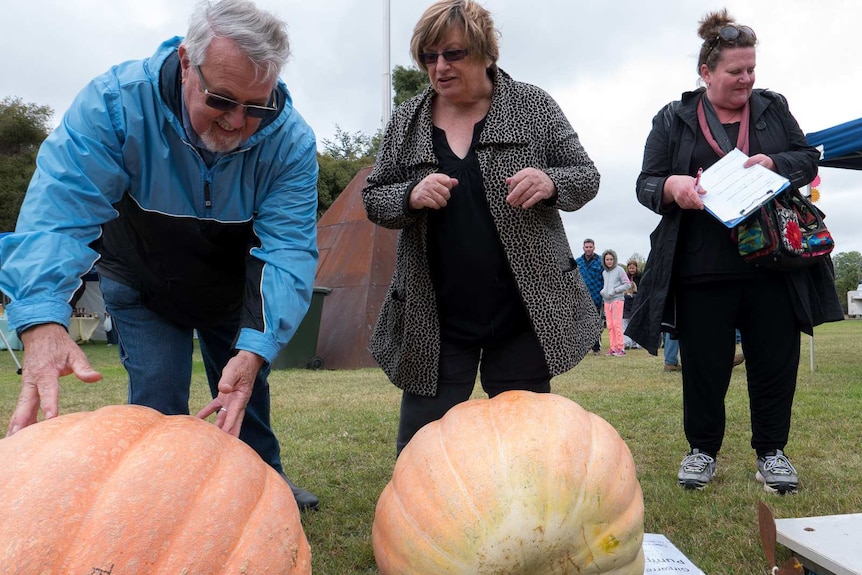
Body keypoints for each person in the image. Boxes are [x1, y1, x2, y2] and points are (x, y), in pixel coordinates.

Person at [0, 0, 321, 510]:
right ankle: (161, 505)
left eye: (257, 106)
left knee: (242, 390)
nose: (239, 122)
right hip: (142, 279)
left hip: (231, 288)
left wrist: (257, 345)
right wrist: (41, 317)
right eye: (222, 99)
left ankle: (264, 485)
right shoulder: (114, 105)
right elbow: (59, 211)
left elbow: (287, 250)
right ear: (187, 61)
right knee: (158, 398)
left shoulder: (291, 142)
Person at [362, 0, 601, 456]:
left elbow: (585, 176)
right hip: (435, 316)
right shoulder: (406, 121)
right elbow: (375, 197)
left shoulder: (533, 106)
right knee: (422, 452)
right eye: (429, 57)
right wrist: (410, 195)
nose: (439, 67)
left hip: (521, 311)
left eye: (453, 54)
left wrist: (550, 182)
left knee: (527, 449)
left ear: (486, 52)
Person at [626, 9, 842, 494]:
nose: (746, 79)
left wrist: (775, 162)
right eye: (735, 71)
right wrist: (673, 186)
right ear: (706, 72)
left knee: (775, 362)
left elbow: (808, 159)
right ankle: (702, 451)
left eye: (751, 70)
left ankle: (772, 453)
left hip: (774, 263)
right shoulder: (673, 117)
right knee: (703, 366)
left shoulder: (772, 108)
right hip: (702, 266)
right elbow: (645, 184)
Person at [599, 249, 631, 357]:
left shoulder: (620, 270)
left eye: (611, 259)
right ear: (604, 260)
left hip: (617, 300)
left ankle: (621, 348)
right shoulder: (604, 272)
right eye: (607, 259)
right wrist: (603, 291)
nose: (609, 261)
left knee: (617, 324)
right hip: (607, 301)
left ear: (614, 259)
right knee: (610, 325)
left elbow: (627, 284)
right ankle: (613, 348)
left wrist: (616, 290)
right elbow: (606, 286)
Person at [576, 239, 604, 355]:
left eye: (590, 247)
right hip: (582, 297)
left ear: (594, 248)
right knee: (582, 323)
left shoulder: (600, 261)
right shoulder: (578, 262)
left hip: (596, 297)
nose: (588, 249)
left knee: (595, 323)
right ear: (583, 248)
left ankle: (596, 347)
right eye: (586, 247)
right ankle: (583, 347)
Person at [622, 259, 642, 350]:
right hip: (626, 305)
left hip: (636, 302)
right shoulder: (625, 277)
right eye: (630, 268)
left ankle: (635, 343)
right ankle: (627, 343)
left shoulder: (640, 277)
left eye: (633, 268)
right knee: (625, 325)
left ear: (636, 268)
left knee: (635, 324)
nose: (631, 270)